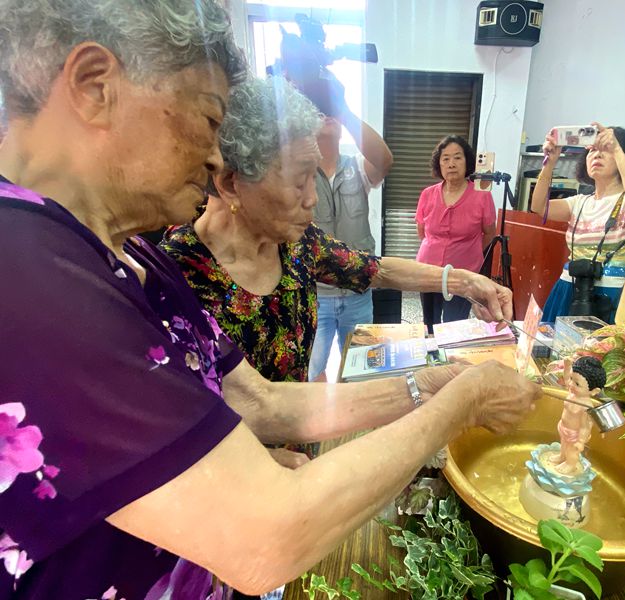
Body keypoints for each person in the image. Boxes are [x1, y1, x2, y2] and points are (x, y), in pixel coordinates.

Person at [0, 2, 540, 598]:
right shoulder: (27, 273)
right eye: (207, 121)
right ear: (95, 87)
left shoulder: (125, 258)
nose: (212, 159)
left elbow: (256, 399)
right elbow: (265, 536)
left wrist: (429, 387)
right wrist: (460, 403)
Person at [161, 76, 514, 387]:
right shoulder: (174, 273)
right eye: (299, 181)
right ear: (230, 184)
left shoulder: (297, 243)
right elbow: (224, 408)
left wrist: (467, 282)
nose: (312, 199)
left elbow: (376, 268)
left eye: (312, 177)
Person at [305, 86, 393, 380]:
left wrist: (342, 107)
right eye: (319, 110)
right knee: (311, 370)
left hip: (356, 290)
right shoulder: (299, 173)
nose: (326, 114)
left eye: (330, 112)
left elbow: (384, 160)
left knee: (360, 369)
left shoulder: (357, 166)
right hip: (314, 294)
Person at [530, 124, 625, 324]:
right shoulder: (580, 203)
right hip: (569, 288)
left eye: (605, 150)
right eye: (592, 150)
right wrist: (550, 162)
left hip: (613, 295)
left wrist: (616, 147)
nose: (597, 155)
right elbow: (538, 206)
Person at [415, 135, 497, 333]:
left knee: (455, 324)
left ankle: (452, 359)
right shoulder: (427, 194)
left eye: (457, 158)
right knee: (430, 322)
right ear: (439, 164)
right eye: (446, 158)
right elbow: (422, 231)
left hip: (464, 273)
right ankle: (432, 357)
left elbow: (489, 233)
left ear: (467, 161)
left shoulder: (482, 195)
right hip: (428, 270)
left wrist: (469, 252)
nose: (451, 164)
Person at [549, 357, 605, 476]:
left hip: (575, 434)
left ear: (594, 391)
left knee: (572, 451)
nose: (571, 384)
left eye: (577, 384)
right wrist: (567, 365)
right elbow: (566, 378)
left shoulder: (585, 406)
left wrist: (580, 441)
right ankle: (562, 456)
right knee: (564, 445)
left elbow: (585, 426)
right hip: (564, 428)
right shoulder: (573, 394)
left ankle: (570, 464)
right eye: (572, 379)